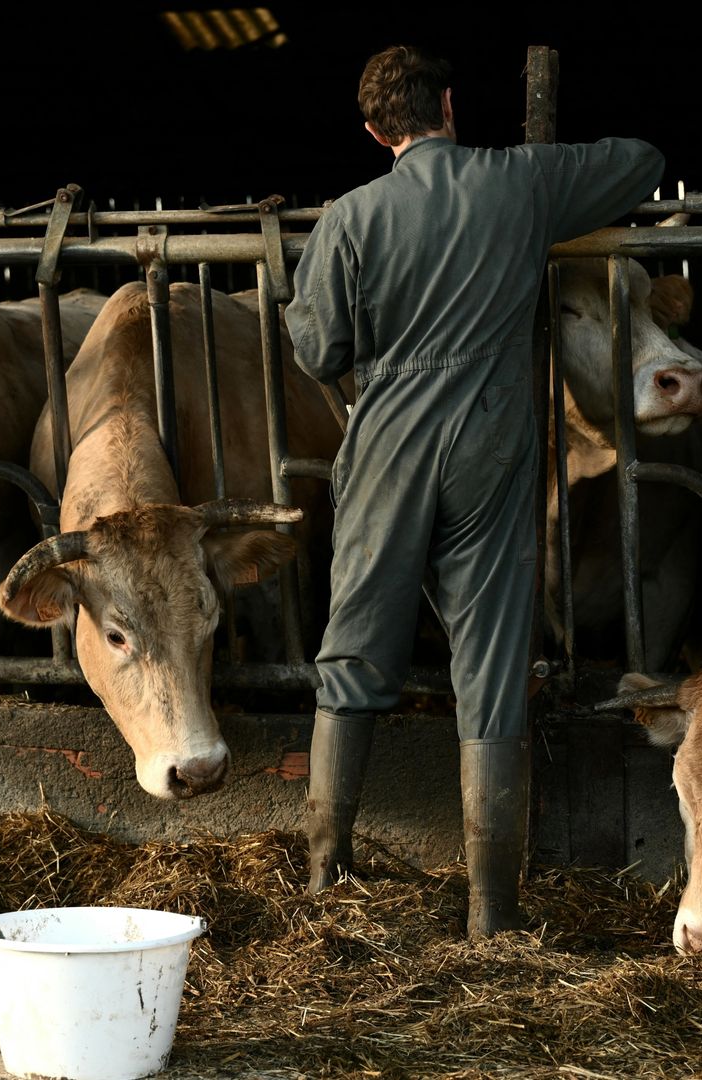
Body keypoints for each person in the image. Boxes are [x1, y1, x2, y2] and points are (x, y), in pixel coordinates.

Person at [285, 45, 664, 939]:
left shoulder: (350, 218)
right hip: (491, 439)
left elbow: (317, 352)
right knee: (490, 665)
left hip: (387, 443)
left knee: (353, 655)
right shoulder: (521, 182)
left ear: (377, 132)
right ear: (451, 105)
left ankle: (323, 880)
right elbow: (642, 160)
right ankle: (492, 915)